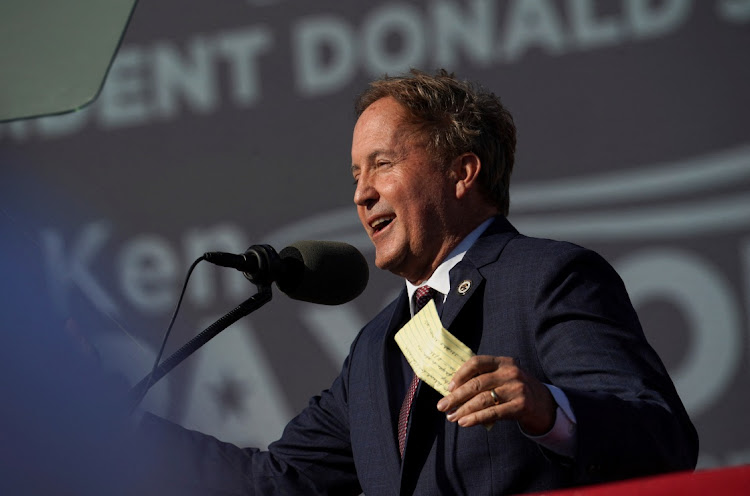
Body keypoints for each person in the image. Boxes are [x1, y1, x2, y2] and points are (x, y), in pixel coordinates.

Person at [135, 69, 698, 495]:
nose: (360, 194)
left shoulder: (547, 278)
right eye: (356, 175)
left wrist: (548, 410)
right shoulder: (375, 348)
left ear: (462, 171)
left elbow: (663, 441)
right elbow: (274, 481)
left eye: (382, 164)